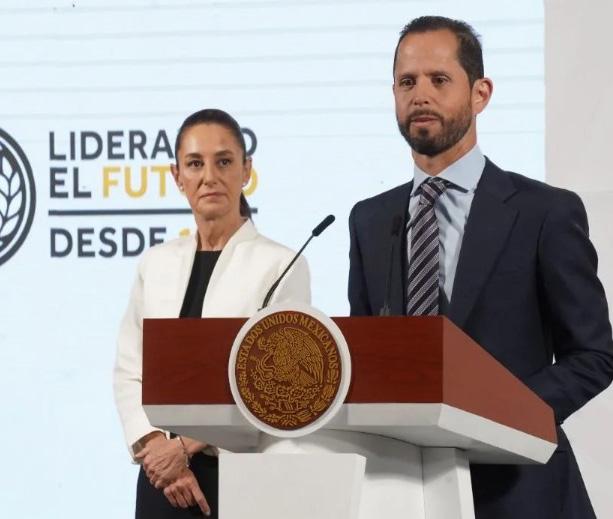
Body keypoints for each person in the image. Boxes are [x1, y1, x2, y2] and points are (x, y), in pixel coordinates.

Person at [347, 16, 613, 519]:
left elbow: (593, 354)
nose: (420, 95)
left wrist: (499, 412)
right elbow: (367, 354)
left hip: (522, 489)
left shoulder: (544, 213)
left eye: (439, 79)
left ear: (480, 93)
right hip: (404, 491)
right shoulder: (370, 220)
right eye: (407, 82)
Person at [113, 108, 311, 518]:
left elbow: (280, 385)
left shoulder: (281, 265)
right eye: (194, 164)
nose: (209, 177)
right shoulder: (156, 263)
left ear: (246, 170)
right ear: (177, 176)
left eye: (223, 162)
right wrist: (157, 448)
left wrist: (184, 448)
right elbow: (130, 368)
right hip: (161, 478)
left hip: (239, 474)